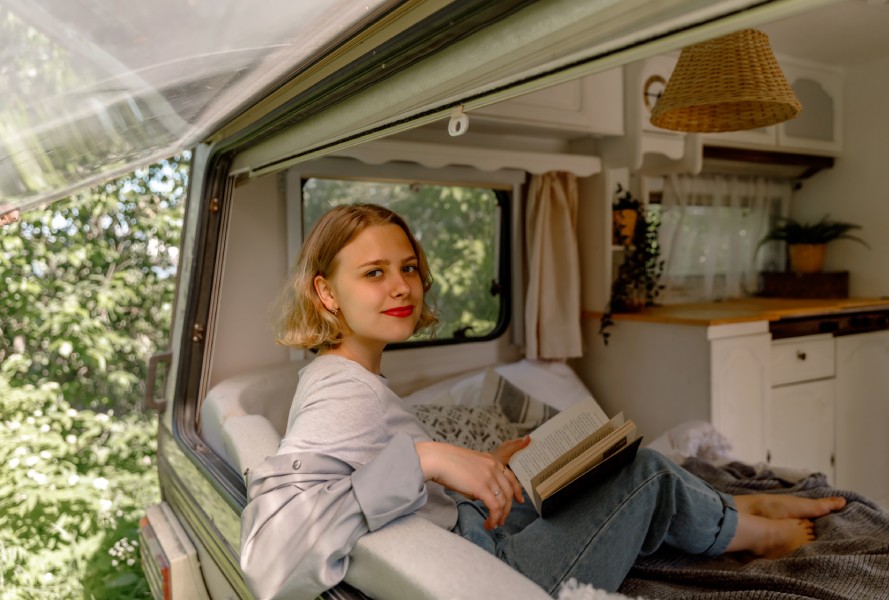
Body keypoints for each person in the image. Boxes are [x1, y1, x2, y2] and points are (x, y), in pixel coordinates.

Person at [239, 203, 845, 600]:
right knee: (641, 473)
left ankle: (735, 508)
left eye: (408, 268)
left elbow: (366, 479)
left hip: (468, 526)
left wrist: (477, 467)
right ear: (327, 293)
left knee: (605, 466)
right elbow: (269, 558)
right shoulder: (341, 392)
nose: (402, 286)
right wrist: (428, 459)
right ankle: (756, 535)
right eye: (373, 273)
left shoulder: (345, 374)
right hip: (495, 570)